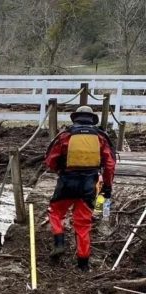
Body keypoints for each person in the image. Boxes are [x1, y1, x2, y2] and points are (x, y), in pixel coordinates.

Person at [44, 105, 116, 271]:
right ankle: (83, 264)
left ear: (75, 118)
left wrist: (60, 170)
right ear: (92, 119)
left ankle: (59, 241)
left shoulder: (66, 135)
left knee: (55, 212)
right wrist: (107, 186)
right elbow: (110, 165)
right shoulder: (101, 137)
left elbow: (50, 161)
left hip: (67, 182)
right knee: (83, 224)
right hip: (89, 185)